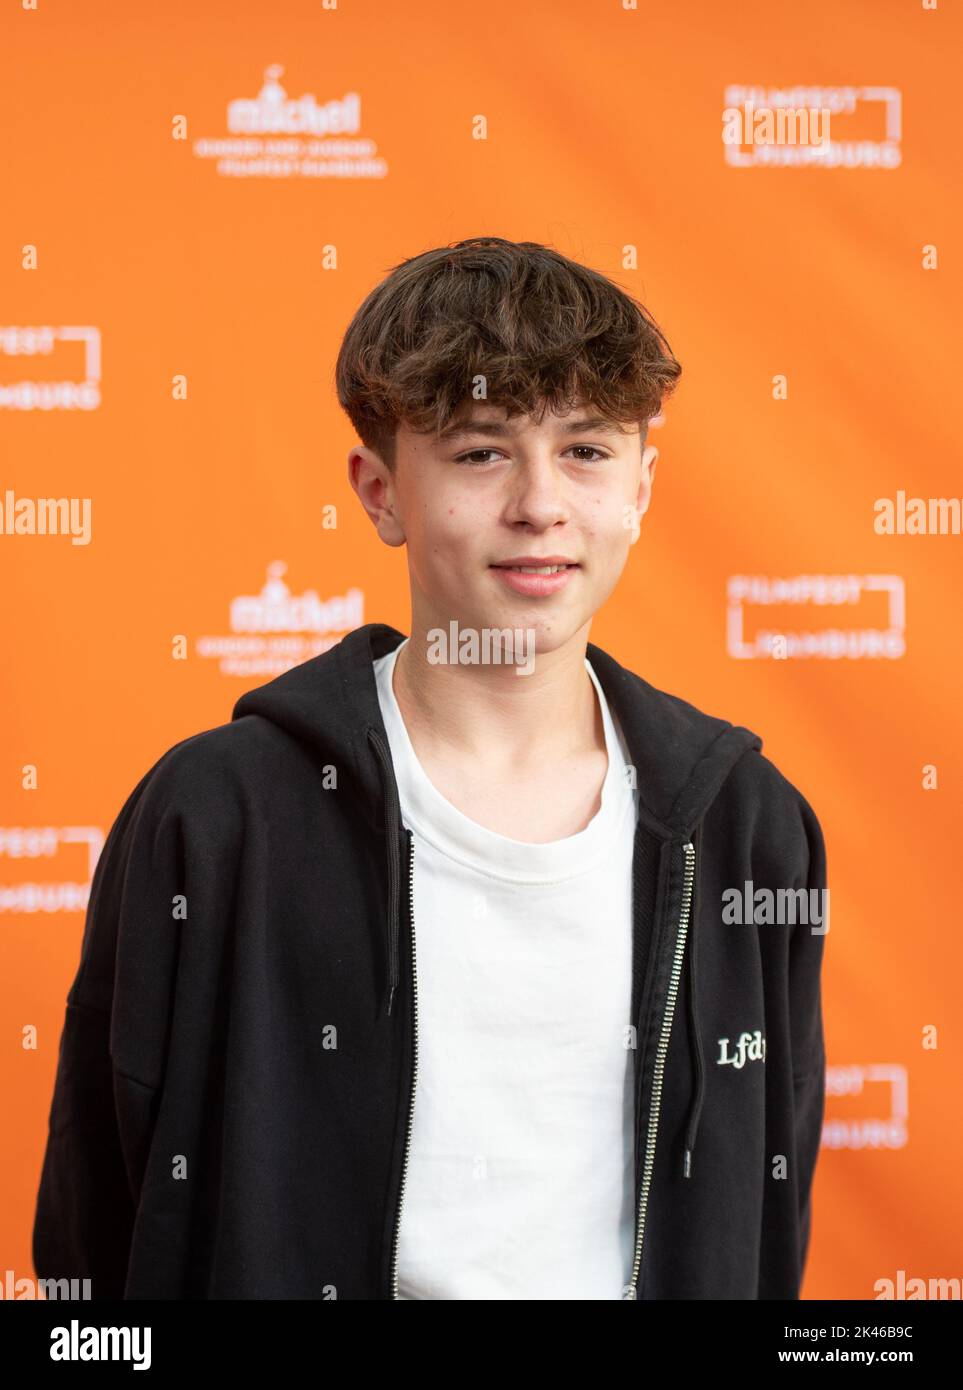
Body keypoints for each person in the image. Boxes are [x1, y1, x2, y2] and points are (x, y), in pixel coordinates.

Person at [33, 236, 827, 1300]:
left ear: (643, 485)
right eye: (481, 452)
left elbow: (766, 1209)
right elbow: (99, 1214)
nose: (540, 503)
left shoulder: (747, 823)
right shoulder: (218, 814)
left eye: (587, 450)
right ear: (380, 491)